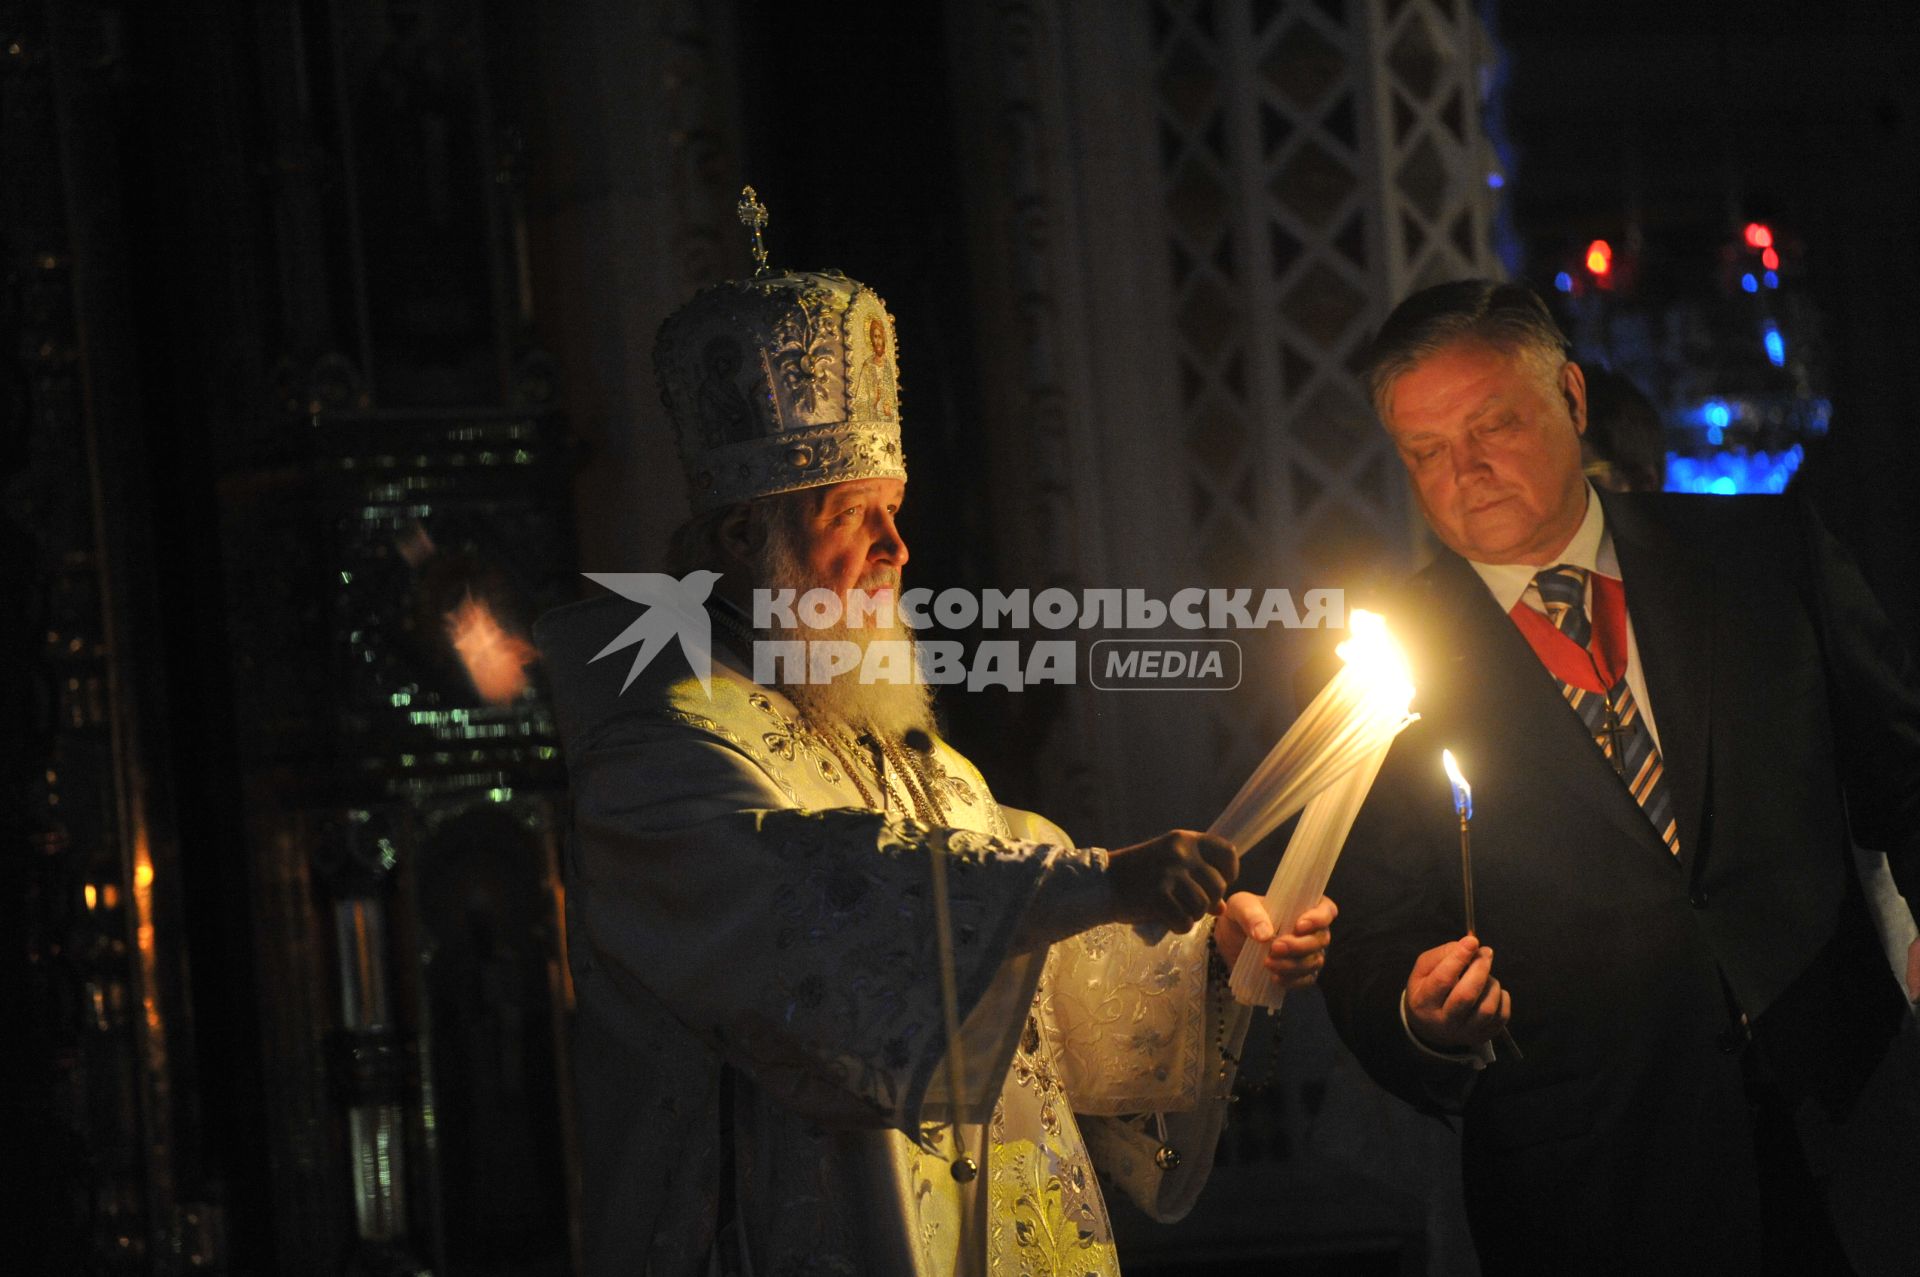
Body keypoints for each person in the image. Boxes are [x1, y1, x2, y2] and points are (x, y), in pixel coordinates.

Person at [535, 235, 1337, 1275]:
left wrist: (1210, 955)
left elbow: (1033, 988)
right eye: (852, 516)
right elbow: (824, 904)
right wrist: (1099, 879)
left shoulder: (919, 763)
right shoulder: (660, 759)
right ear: (743, 539)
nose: (897, 550)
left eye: (896, 511)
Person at [1316, 279, 1920, 1274]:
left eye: (1492, 426)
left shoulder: (1764, 557)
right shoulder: (1391, 668)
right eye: (1425, 453)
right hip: (1598, 1185)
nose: (1463, 471)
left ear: (1572, 397)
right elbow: (1367, 938)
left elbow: (1904, 781)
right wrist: (1416, 1010)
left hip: (1853, 1133)